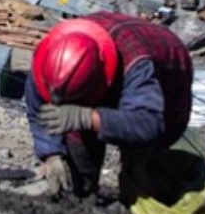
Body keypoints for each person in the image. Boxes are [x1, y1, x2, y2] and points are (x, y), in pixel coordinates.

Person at [25, 12, 193, 198]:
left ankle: (138, 202)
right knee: (78, 158)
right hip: (106, 67)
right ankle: (83, 196)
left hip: (166, 73)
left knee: (142, 164)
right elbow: (38, 109)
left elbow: (149, 123)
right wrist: (51, 153)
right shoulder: (51, 60)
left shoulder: (136, 66)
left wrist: (87, 117)